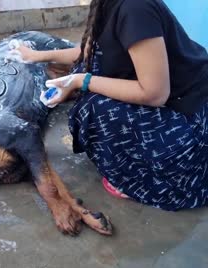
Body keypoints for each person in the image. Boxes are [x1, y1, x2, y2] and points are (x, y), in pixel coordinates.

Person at [16, 0, 208, 211]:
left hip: (187, 118)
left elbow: (155, 94)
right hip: (174, 98)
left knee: (97, 109)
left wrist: (81, 81)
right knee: (90, 75)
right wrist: (37, 56)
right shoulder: (106, 4)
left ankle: (143, 180)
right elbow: (89, 52)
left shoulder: (135, 9)